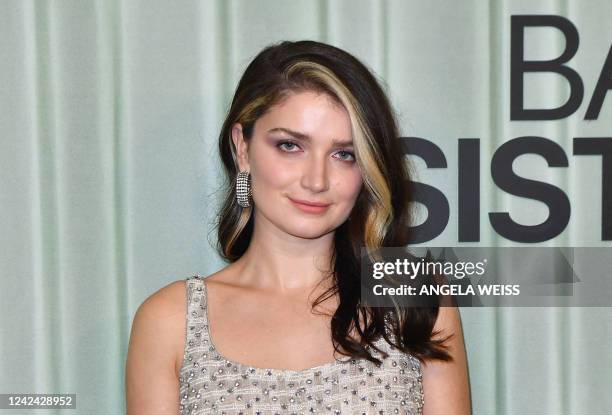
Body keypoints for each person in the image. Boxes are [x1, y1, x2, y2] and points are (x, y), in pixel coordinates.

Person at [125, 40, 471, 414]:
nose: (317, 180)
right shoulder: (170, 321)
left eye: (344, 154)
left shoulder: (415, 301)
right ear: (243, 148)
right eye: (290, 146)